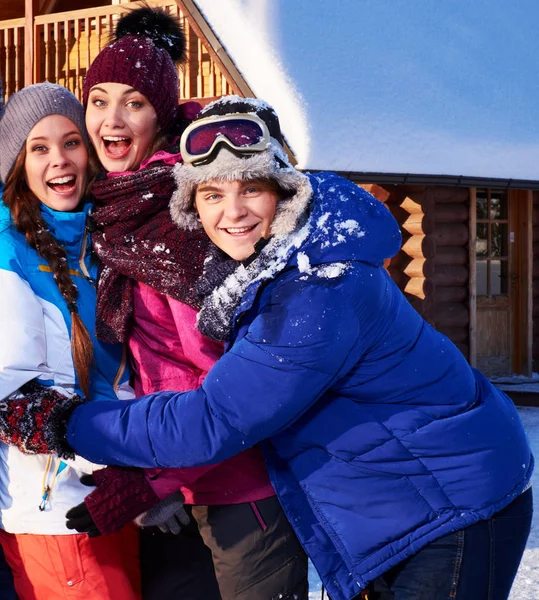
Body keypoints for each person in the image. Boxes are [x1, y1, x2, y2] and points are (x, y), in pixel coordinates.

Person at [0, 97, 534, 600]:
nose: (231, 212)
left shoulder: (317, 291)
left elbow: (213, 418)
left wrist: (66, 423)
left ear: (284, 192)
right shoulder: (271, 265)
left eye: (250, 189)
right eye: (211, 195)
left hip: (452, 503)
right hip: (396, 500)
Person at [58, 7, 303, 600]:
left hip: (241, 490)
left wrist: (154, 479)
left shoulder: (186, 219)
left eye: (134, 103)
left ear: (162, 115)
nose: (111, 120)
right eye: (98, 100)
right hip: (174, 484)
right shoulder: (115, 211)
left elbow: (231, 389)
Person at [0, 83, 141, 599]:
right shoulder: (8, 252)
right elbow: (9, 386)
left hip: (118, 496)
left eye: (71, 141)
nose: (59, 159)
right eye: (38, 148)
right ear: (17, 163)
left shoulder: (99, 239)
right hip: (59, 510)